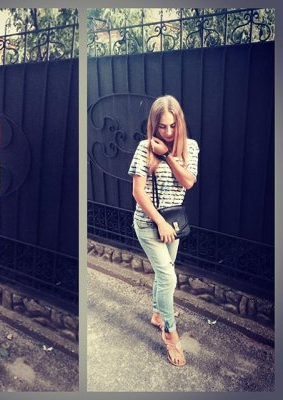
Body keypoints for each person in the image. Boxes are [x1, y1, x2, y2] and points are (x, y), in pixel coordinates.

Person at [128, 95, 199, 367]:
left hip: (175, 223)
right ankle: (170, 334)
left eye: (172, 126)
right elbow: (138, 192)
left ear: (180, 122)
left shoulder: (190, 147)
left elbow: (188, 182)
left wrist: (168, 156)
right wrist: (159, 222)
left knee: (164, 272)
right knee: (169, 277)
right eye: (162, 127)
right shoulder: (144, 148)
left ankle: (158, 314)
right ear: (153, 125)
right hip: (149, 223)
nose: (168, 132)